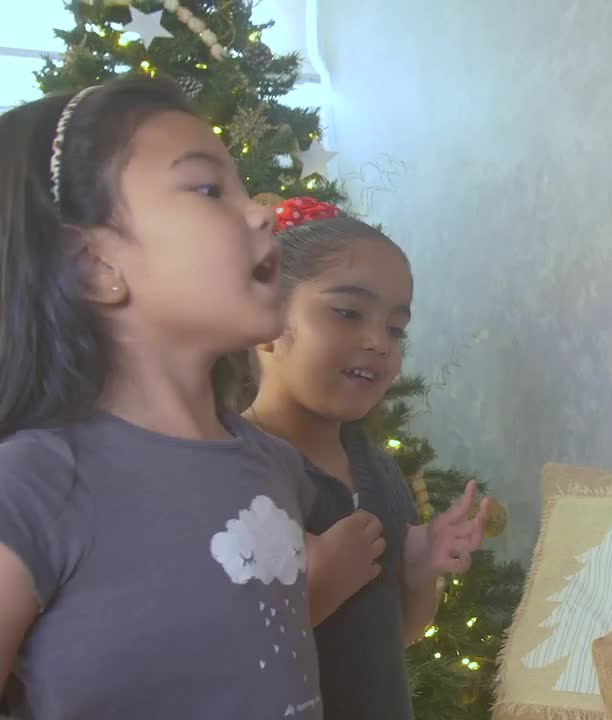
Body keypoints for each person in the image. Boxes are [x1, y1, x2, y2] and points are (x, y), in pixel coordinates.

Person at [0, 77, 324, 717]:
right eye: (209, 189)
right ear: (94, 265)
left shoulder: (277, 468)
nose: (262, 209)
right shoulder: (33, 487)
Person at [240, 198, 489, 720]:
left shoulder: (377, 469)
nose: (378, 341)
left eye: (396, 328)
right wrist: (317, 590)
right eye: (348, 313)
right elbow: (203, 665)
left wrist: (420, 574)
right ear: (266, 321)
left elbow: (398, 634)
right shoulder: (231, 471)